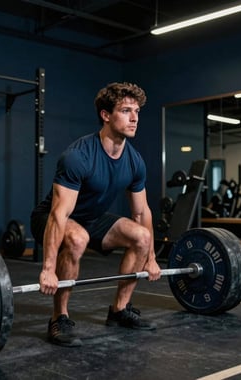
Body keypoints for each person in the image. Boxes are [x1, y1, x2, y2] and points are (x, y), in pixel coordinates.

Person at [30, 82, 161, 347]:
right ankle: (59, 318)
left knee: (141, 237)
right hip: (51, 219)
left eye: (136, 111)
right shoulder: (78, 156)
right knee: (77, 237)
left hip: (92, 218)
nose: (134, 117)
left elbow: (142, 211)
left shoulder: (135, 161)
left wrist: (151, 258)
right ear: (106, 115)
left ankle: (120, 310)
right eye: (126, 110)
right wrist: (47, 268)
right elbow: (58, 215)